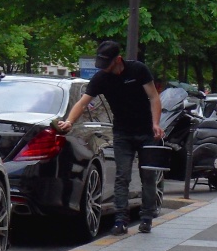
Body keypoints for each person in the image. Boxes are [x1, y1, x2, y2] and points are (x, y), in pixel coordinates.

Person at [57, 40, 163, 235]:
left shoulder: (138, 70)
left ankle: (147, 217)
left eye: (107, 65)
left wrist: (156, 123)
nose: (104, 69)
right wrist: (70, 122)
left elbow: (154, 97)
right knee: (122, 176)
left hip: (146, 131)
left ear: (118, 60)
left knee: (148, 176)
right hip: (122, 132)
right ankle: (121, 219)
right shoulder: (101, 79)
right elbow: (82, 103)